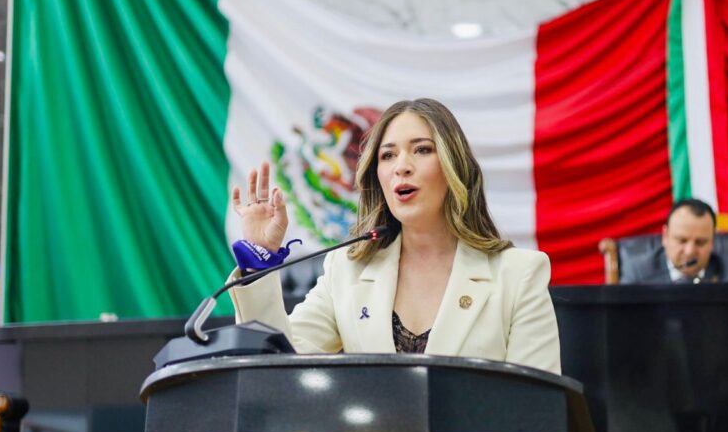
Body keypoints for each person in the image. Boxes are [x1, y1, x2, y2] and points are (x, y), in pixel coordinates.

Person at [228, 98, 561, 374]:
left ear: (454, 167)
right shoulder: (346, 271)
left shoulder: (518, 275)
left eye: (422, 150)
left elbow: (538, 408)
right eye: (388, 155)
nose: (401, 166)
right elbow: (279, 361)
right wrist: (260, 260)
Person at [620, 198, 728, 284]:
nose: (690, 251)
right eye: (682, 241)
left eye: (700, 242)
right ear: (665, 237)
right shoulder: (639, 272)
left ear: (712, 241)